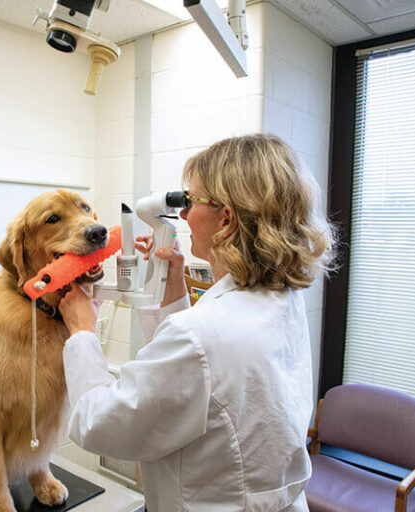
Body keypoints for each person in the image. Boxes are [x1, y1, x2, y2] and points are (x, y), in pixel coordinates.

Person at [58, 134, 335, 511]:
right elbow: (203, 384)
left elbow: (100, 425)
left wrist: (81, 332)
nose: (184, 215)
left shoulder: (202, 335)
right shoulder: (281, 297)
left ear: (226, 218)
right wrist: (173, 295)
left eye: (191, 201)